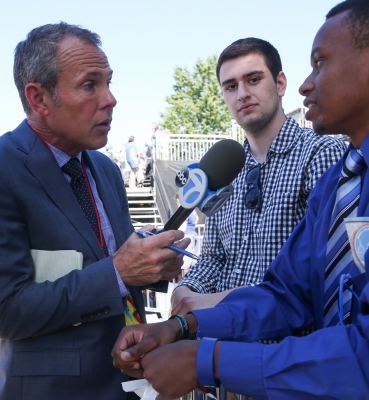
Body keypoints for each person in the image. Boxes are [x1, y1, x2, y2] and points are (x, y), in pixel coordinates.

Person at [112, 1, 369, 398]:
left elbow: (342, 330)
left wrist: (207, 339)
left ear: (278, 84)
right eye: (230, 86)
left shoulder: (323, 158)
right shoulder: (231, 169)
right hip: (228, 365)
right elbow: (282, 290)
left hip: (292, 370)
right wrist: (183, 317)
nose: (307, 83)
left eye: (320, 62)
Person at [0, 22, 190, 400]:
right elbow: (8, 310)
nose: (111, 99)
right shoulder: (6, 169)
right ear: (39, 99)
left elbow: (109, 266)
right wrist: (120, 272)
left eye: (109, 82)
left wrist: (150, 269)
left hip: (127, 385)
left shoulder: (104, 168)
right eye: (90, 85)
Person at [171, 37, 346, 315]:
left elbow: (320, 270)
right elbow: (215, 258)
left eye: (253, 80)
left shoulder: (320, 153)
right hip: (218, 339)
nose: (241, 94)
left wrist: (219, 302)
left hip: (285, 346)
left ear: (280, 84)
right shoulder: (223, 169)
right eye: (230, 86)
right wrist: (184, 290)